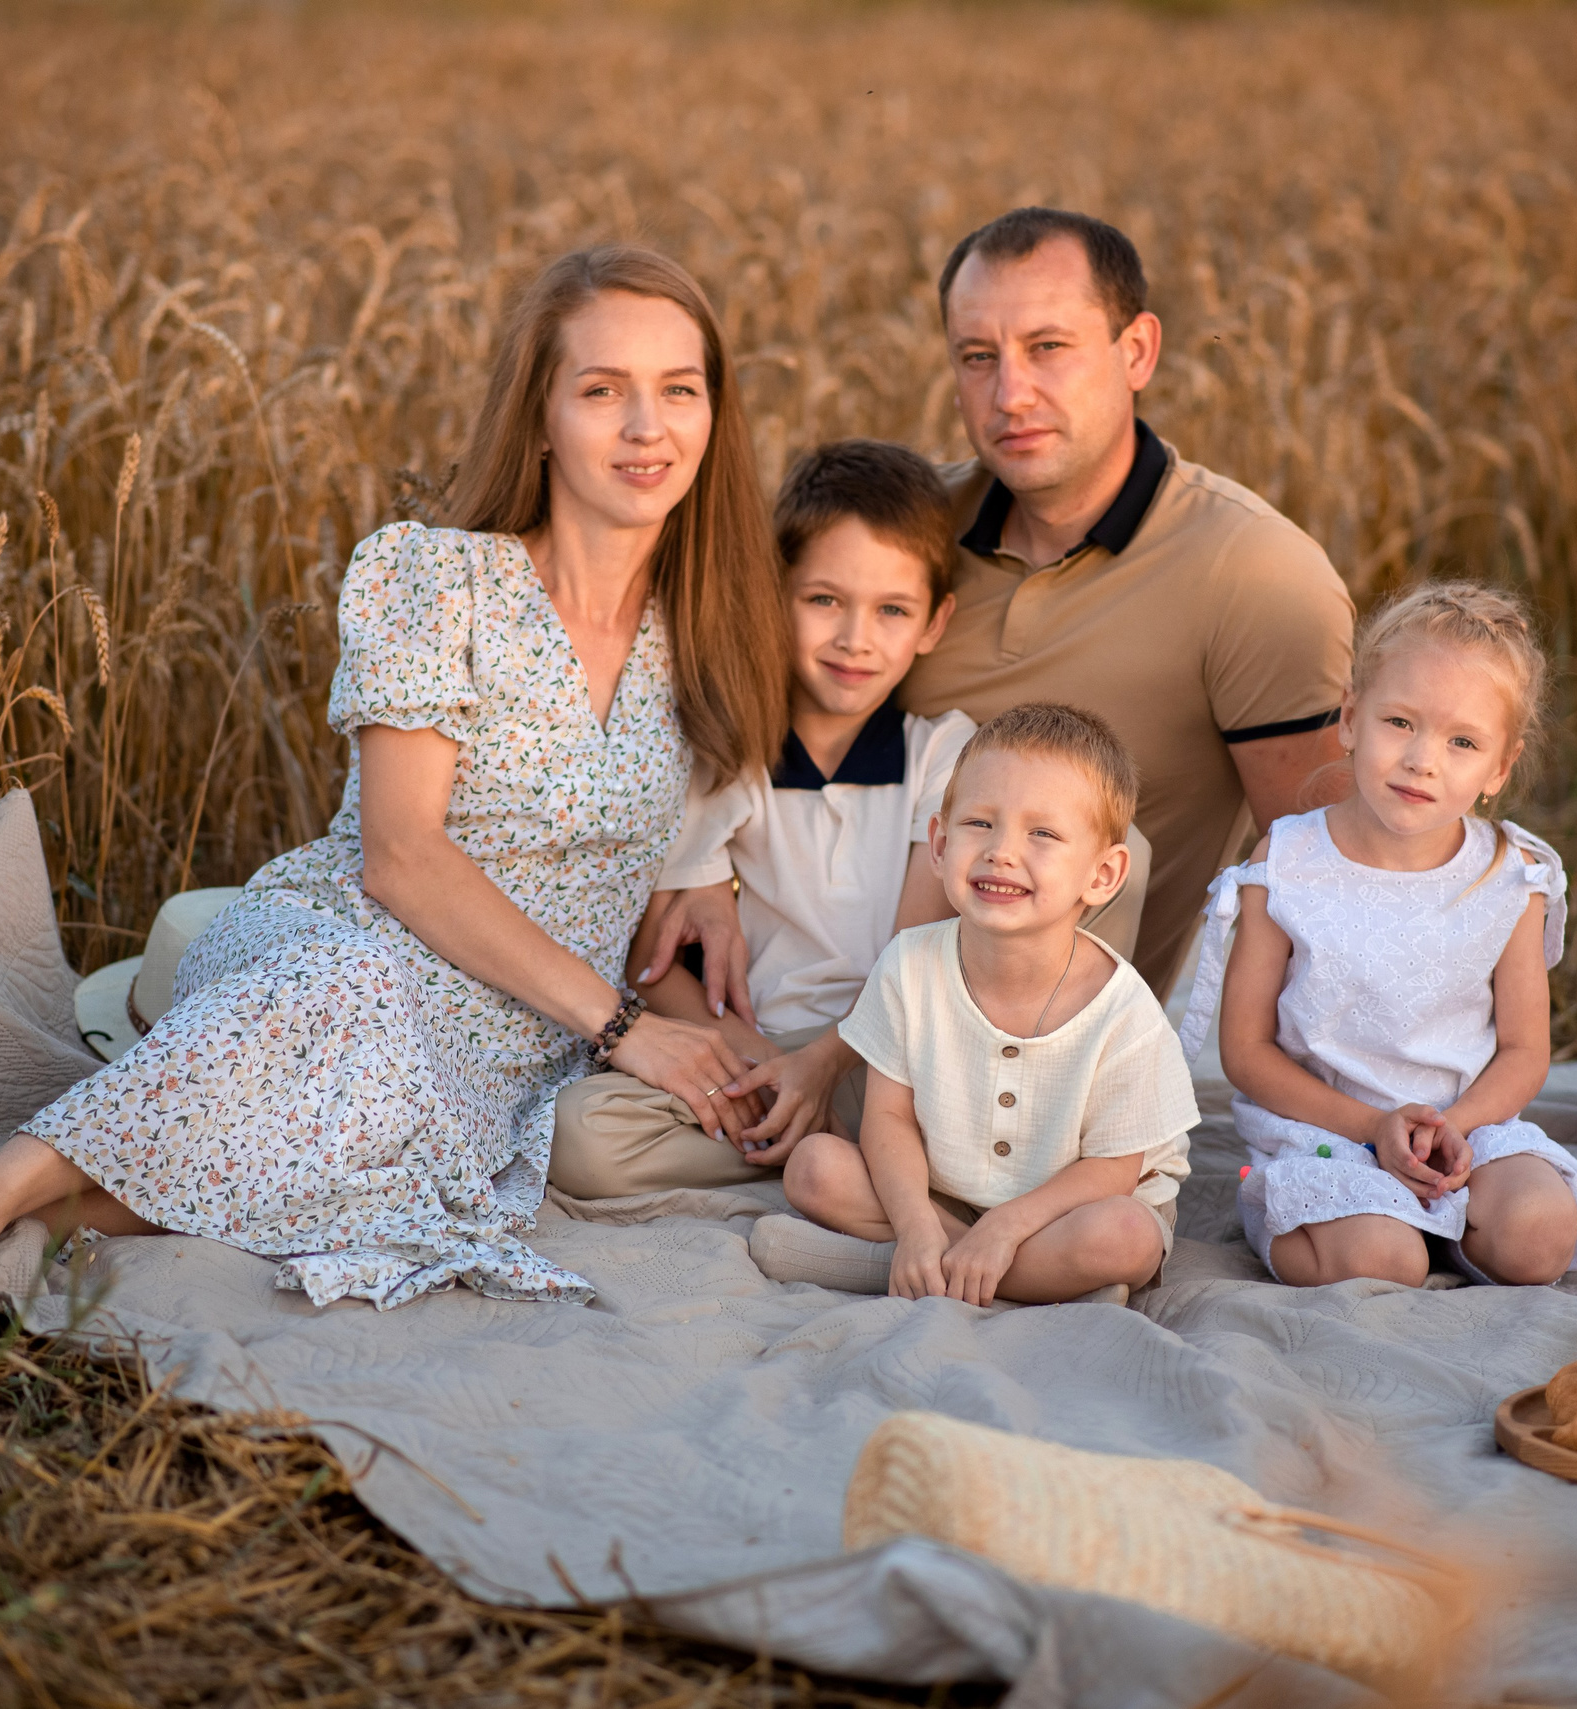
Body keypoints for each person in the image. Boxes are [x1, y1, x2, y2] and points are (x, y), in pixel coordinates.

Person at [0, 245, 790, 1329]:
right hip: (339, 945)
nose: (647, 427)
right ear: (538, 419)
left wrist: (731, 968)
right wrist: (625, 1028)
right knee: (347, 1011)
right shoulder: (433, 578)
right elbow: (401, 857)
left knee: (367, 1150)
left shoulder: (710, 637)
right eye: (601, 390)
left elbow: (672, 861)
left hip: (506, 1045)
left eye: (680, 390)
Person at [642, 206, 1356, 1020]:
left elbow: (1325, 884)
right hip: (823, 998)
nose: (1011, 393)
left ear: (1138, 351)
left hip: (1050, 1030)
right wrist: (695, 864)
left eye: (1048, 347)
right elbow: (721, 691)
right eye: (978, 358)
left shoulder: (1257, 576)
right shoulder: (903, 541)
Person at [548, 440, 975, 1199]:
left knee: (972, 1122)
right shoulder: (728, 753)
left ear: (934, 622)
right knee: (580, 1137)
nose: (855, 638)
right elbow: (654, 954)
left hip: (887, 1052)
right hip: (757, 1046)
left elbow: (914, 961)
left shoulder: (943, 754)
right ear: (773, 594)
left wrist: (822, 1067)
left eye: (892, 611)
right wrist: (760, 1066)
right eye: (823, 600)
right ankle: (825, 1153)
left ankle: (828, 1150)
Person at [1177, 583, 1577, 1287]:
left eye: (1463, 741)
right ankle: (1326, 1220)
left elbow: (1525, 1050)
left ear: (1499, 767)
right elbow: (1246, 1050)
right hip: (1326, 1129)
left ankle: (1442, 1222)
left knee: (1540, 1235)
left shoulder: (1513, 876)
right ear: (1351, 717)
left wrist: (1454, 1127)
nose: (1423, 759)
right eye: (1400, 722)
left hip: (1465, 1132)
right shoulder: (1288, 862)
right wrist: (1372, 1127)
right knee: (1383, 1264)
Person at [754, 703, 1197, 1306]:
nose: (1001, 852)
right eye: (979, 823)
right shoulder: (910, 965)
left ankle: (898, 1267)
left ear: (1102, 874)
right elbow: (888, 1119)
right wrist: (914, 1225)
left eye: (1042, 833)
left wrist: (1007, 1227)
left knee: (1125, 1239)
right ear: (938, 843)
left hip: (1069, 1208)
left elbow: (1112, 1171)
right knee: (814, 1168)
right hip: (944, 1194)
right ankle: (981, 1269)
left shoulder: (1122, 1012)